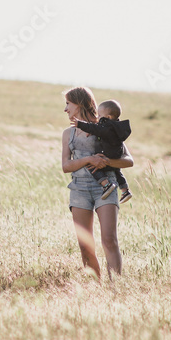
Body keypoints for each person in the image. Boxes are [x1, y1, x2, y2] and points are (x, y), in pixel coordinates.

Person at [61, 87, 133, 279]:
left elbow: (128, 161)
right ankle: (95, 288)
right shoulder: (69, 134)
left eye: (68, 104)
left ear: (80, 104)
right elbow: (66, 166)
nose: (65, 109)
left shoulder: (106, 127)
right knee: (85, 245)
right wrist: (89, 160)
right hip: (79, 190)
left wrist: (106, 162)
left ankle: (115, 287)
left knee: (109, 240)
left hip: (107, 188)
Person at [73, 99, 133, 203]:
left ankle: (106, 184)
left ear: (108, 117)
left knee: (92, 165)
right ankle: (125, 190)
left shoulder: (107, 127)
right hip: (116, 154)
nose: (97, 118)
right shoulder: (117, 127)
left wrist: (80, 124)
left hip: (107, 153)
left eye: (100, 116)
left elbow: (96, 129)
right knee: (117, 171)